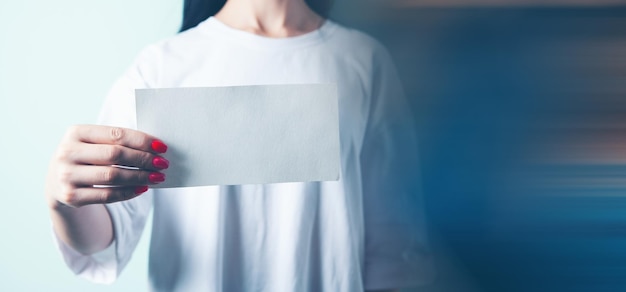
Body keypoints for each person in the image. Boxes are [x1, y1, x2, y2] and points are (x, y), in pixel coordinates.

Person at [45, 0, 433, 291]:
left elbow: (392, 245)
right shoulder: (162, 67)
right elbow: (105, 240)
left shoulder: (362, 61)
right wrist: (63, 200)